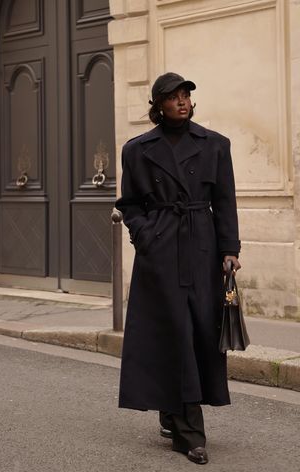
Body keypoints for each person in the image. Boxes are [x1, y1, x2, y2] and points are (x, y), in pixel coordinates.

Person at [115, 72, 241, 465]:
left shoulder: (216, 145)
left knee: (199, 333)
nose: (182, 101)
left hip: (201, 249)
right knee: (171, 331)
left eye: (186, 95)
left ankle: (173, 411)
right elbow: (131, 204)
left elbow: (225, 201)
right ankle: (190, 433)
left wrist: (229, 249)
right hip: (161, 250)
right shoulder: (137, 150)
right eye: (173, 97)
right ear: (159, 105)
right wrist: (145, 235)